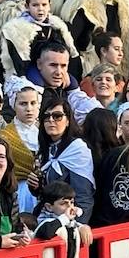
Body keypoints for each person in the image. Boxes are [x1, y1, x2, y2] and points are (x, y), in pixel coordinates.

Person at [36, 92, 96, 221]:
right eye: (46, 116)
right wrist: (35, 188)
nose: (51, 120)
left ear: (68, 120)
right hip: (47, 216)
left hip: (70, 221)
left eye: (57, 116)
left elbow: (83, 195)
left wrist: (77, 226)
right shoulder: (45, 148)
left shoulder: (77, 149)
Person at [0, 0, 78, 82]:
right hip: (31, 69)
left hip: (56, 67)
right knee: (37, 83)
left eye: (44, 5)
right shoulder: (17, 29)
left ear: (50, 5)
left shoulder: (57, 25)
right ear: (27, 6)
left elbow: (69, 51)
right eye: (35, 5)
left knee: (73, 83)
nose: (40, 9)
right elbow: (20, 61)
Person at [0, 83, 41, 182]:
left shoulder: (47, 129)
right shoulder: (5, 136)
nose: (29, 109)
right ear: (14, 105)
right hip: (18, 186)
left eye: (33, 103)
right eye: (23, 104)